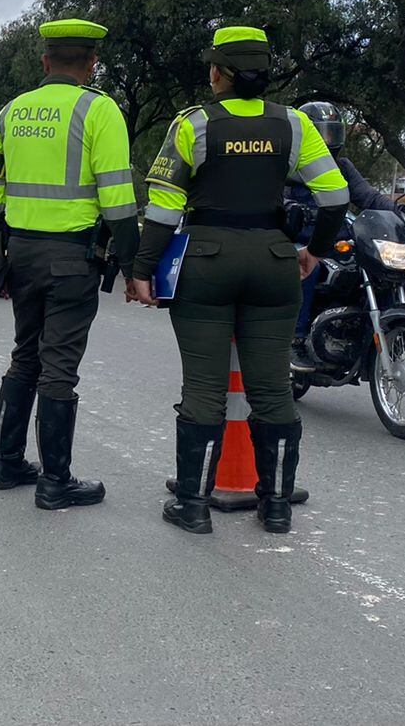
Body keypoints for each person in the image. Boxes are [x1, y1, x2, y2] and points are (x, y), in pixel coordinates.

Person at [129, 26, 349, 535]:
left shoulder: (192, 125)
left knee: (203, 387)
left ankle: (193, 505)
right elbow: (335, 199)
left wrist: (142, 269)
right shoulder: (294, 125)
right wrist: (313, 251)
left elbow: (164, 209)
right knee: (272, 387)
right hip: (273, 262)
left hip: (207, 261)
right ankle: (275, 507)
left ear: (217, 73)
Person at [0, 18, 139, 511]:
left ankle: (5, 464)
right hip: (72, 258)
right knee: (59, 369)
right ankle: (55, 482)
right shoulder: (99, 110)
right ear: (91, 64)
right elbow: (117, 198)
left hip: (21, 253)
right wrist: (134, 266)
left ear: (45, 62)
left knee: (25, 355)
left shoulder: (12, 111)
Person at [286, 101, 405, 372]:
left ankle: (382, 330)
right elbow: (279, 200)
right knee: (305, 270)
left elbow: (367, 196)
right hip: (303, 241)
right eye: (320, 135)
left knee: (378, 266)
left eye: (331, 134)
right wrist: (294, 210)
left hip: (338, 241)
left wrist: (400, 211)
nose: (326, 141)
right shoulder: (290, 168)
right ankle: (296, 340)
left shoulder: (343, 166)